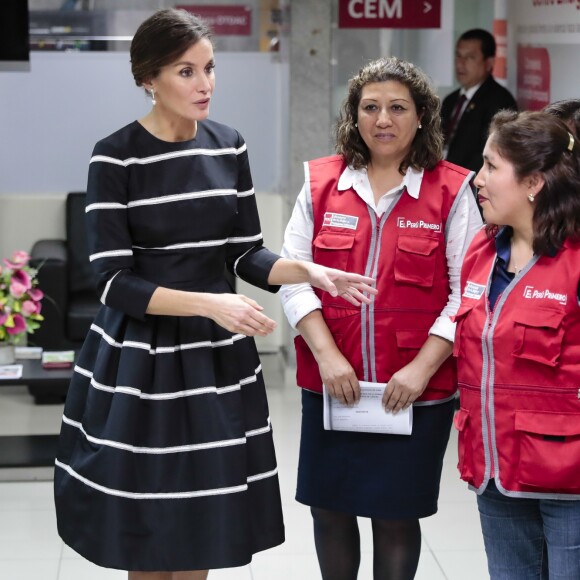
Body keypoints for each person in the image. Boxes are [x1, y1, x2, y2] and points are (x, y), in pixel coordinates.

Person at [53, 9, 377, 579]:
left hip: (213, 363)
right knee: (148, 529)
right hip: (140, 365)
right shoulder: (115, 155)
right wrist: (210, 303)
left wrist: (309, 271)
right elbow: (112, 282)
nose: (205, 84)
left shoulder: (229, 146)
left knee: (202, 525)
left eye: (209, 68)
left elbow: (243, 254)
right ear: (148, 78)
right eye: (186, 71)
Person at [279, 57, 482, 580]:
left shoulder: (453, 190)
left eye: (398, 107)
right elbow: (294, 275)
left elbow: (467, 293)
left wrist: (420, 369)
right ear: (355, 114)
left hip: (413, 390)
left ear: (421, 117)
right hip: (333, 385)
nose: (383, 120)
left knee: (396, 516)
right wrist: (327, 357)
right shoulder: (322, 184)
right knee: (330, 508)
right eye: (371, 107)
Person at [453, 110, 580, 579]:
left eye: (490, 167)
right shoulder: (482, 252)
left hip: (568, 480)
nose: (477, 179)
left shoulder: (575, 260)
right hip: (495, 472)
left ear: (533, 183)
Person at [441, 28, 517, 172]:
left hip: (469, 185)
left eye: (470, 57)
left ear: (489, 62)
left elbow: (489, 155)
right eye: (458, 56)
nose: (460, 64)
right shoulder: (450, 100)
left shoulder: (500, 101)